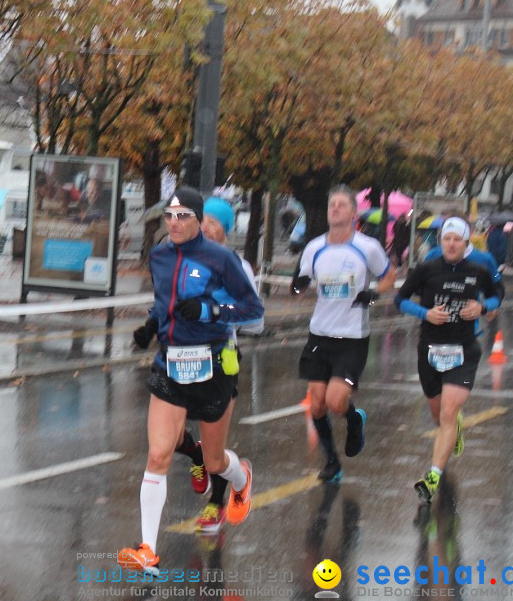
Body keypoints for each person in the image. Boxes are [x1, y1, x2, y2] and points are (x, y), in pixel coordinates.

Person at [118, 186, 264, 572]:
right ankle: (148, 549)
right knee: (158, 454)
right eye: (170, 215)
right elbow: (164, 301)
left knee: (214, 461)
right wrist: (152, 327)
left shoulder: (221, 259)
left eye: (184, 216)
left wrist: (208, 310)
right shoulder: (160, 256)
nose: (175, 222)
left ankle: (242, 475)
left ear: (198, 220)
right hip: (171, 364)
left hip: (213, 365)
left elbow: (252, 308)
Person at [169, 196, 265, 535]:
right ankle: (194, 454)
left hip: (219, 361)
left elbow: (255, 321)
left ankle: (225, 494)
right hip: (178, 359)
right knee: (168, 438)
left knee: (215, 455)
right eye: (202, 220)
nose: (207, 228)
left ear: (226, 229)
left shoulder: (236, 265)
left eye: (215, 222)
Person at [291, 185, 395, 484]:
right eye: (331, 205)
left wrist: (371, 294)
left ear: (353, 213)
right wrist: (297, 286)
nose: (334, 209)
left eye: (340, 205)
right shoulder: (315, 247)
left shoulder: (367, 247)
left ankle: (354, 419)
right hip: (319, 334)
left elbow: (389, 277)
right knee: (317, 403)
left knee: (337, 402)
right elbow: (303, 284)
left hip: (352, 338)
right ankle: (333, 463)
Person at [393, 217, 500, 504]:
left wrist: (482, 306)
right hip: (430, 350)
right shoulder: (427, 269)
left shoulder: (478, 270)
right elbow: (399, 300)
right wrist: (425, 314)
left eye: (457, 239)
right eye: (447, 239)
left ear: (466, 243)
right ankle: (455, 429)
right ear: (441, 242)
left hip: (464, 351)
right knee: (439, 415)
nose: (451, 244)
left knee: (449, 413)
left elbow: (497, 295)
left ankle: (433, 476)